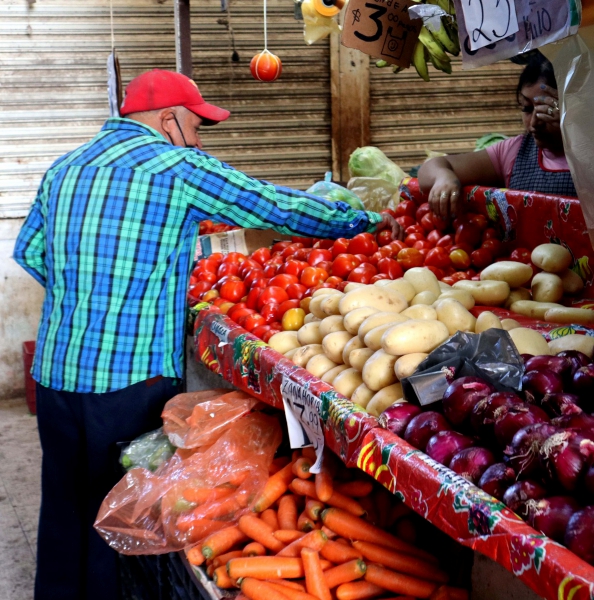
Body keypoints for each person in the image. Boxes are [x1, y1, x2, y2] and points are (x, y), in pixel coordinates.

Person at [13, 69, 401, 600]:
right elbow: (276, 207)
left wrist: (90, 294)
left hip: (56, 374)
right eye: (196, 126)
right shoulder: (178, 167)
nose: (198, 139)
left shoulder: (65, 167)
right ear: (169, 120)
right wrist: (363, 220)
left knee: (64, 506)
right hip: (130, 379)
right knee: (121, 514)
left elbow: (30, 252)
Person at [419, 53, 577, 221]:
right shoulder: (514, 152)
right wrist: (444, 176)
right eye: (527, 109)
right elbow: (430, 169)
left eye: (546, 110)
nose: (534, 123)